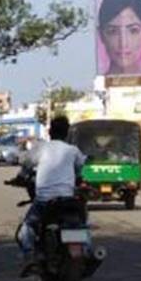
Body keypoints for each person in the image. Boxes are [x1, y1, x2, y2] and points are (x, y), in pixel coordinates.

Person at [16, 115, 87, 271]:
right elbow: (81, 167)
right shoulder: (72, 150)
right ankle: (87, 250)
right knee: (81, 224)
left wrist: (21, 176)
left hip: (44, 201)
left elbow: (25, 163)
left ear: (49, 132)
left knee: (26, 228)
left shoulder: (40, 148)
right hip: (68, 200)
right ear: (67, 133)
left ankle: (29, 256)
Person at [98, 0, 141, 75]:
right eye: (112, 31)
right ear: (101, 35)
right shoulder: (90, 88)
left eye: (133, 31)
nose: (123, 42)